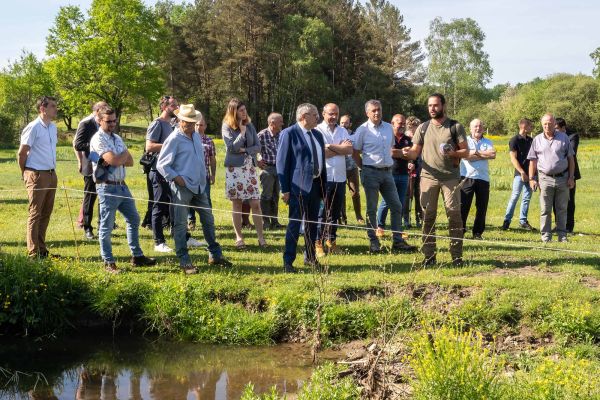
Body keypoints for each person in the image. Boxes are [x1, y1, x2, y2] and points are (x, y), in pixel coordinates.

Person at [157, 104, 232, 274]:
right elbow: (162, 165)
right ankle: (184, 261)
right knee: (181, 224)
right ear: (180, 121)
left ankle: (215, 254)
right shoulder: (174, 139)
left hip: (200, 186)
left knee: (208, 220)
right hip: (182, 187)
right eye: (187, 122)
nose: (191, 125)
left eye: (193, 122)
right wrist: (177, 178)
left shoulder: (196, 136)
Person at [402, 93, 468, 266]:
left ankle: (457, 257)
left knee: (454, 215)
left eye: (436, 105)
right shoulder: (422, 127)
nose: (432, 108)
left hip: (450, 178)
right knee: (428, 217)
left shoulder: (455, 126)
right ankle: (429, 257)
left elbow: (466, 152)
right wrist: (405, 153)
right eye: (430, 106)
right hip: (428, 177)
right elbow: (415, 151)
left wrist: (453, 153)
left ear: (443, 106)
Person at [89, 106, 156, 273]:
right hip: (107, 186)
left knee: (133, 219)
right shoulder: (98, 139)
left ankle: (137, 256)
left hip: (122, 185)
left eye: (114, 120)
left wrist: (120, 157)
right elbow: (113, 160)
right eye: (108, 121)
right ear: (99, 120)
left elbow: (130, 161)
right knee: (106, 226)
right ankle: (108, 262)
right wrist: (121, 156)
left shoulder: (117, 137)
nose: (112, 124)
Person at [353, 100, 417, 254]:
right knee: (371, 209)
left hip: (388, 172)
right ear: (367, 113)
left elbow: (392, 148)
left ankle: (398, 241)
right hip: (370, 172)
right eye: (373, 110)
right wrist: (365, 168)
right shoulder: (362, 130)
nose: (377, 113)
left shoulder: (389, 128)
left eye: (379, 110)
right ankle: (374, 242)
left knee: (397, 206)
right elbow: (355, 153)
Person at [277, 103, 327, 273]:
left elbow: (321, 161)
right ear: (303, 116)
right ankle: (288, 261)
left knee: (313, 225)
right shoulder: (289, 133)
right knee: (294, 224)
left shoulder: (318, 135)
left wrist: (323, 185)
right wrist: (285, 189)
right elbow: (282, 163)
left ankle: (310, 257)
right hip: (297, 187)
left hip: (315, 185)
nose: (317, 118)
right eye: (314, 114)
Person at [221, 98, 267, 249]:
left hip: (250, 167)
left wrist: (245, 150)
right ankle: (239, 238)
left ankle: (261, 238)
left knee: (255, 203)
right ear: (233, 112)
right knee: (237, 203)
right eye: (241, 110)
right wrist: (241, 133)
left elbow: (258, 146)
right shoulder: (226, 127)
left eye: (245, 110)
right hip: (235, 169)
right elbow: (232, 148)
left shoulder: (250, 125)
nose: (244, 113)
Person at [17, 96, 59, 258]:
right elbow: (21, 153)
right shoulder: (33, 127)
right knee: (35, 213)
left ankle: (42, 249)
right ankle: (33, 252)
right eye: (53, 106)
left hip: (50, 173)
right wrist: (26, 173)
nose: (56, 109)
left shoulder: (53, 127)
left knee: (46, 212)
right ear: (43, 108)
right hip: (36, 174)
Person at [528, 113, 575, 243]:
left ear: (554, 124)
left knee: (562, 209)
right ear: (542, 125)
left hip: (563, 178)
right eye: (545, 124)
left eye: (549, 123)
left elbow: (571, 159)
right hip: (544, 179)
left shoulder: (564, 138)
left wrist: (571, 177)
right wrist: (532, 178)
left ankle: (562, 236)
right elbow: (532, 161)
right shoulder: (536, 139)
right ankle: (546, 237)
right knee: (545, 209)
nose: (547, 126)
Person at [314, 103, 353, 257]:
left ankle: (331, 241)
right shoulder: (317, 130)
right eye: (330, 114)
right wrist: (339, 148)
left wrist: (330, 146)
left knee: (335, 212)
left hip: (340, 177)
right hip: (324, 177)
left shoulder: (342, 130)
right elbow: (321, 152)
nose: (333, 117)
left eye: (335, 114)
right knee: (321, 211)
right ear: (323, 114)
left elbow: (349, 150)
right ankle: (318, 243)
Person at [73, 101, 108, 240]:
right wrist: (94, 146)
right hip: (90, 164)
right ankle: (87, 227)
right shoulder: (86, 123)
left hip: (105, 164)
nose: (107, 110)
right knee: (90, 196)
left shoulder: (106, 121)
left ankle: (102, 226)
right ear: (98, 110)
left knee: (104, 196)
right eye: (105, 108)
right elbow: (78, 144)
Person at [376, 114, 412, 238]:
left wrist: (407, 157)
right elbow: (389, 152)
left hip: (403, 175)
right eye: (399, 123)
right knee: (386, 202)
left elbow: (412, 155)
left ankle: (397, 230)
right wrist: (403, 152)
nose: (402, 125)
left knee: (400, 203)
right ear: (392, 123)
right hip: (389, 173)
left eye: (403, 123)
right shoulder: (387, 137)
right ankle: (380, 227)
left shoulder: (408, 139)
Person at [460, 119, 496, 239]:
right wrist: (483, 154)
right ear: (470, 128)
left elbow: (493, 155)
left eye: (480, 126)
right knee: (463, 206)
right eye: (475, 126)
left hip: (483, 178)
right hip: (467, 177)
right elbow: (467, 156)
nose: (478, 128)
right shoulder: (465, 140)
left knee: (482, 207)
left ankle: (477, 233)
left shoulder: (488, 141)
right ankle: (460, 231)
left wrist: (476, 152)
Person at [502, 118, 535, 231]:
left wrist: (532, 175)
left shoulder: (531, 140)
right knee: (515, 196)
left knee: (526, 198)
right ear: (524, 127)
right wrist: (521, 172)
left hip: (531, 175)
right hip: (519, 174)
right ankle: (507, 221)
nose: (532, 128)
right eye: (530, 126)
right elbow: (513, 159)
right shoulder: (514, 140)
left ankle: (523, 221)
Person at [187, 116, 216, 230]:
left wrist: (213, 174)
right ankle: (191, 220)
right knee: (189, 199)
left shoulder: (209, 141)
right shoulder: (190, 139)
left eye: (201, 125)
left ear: (205, 126)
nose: (199, 127)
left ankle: (208, 221)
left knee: (206, 198)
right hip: (190, 175)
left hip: (204, 176)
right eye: (197, 125)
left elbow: (212, 159)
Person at [257, 112, 284, 230]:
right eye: (280, 121)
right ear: (272, 122)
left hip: (279, 169)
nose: (282, 123)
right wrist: (258, 160)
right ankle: (265, 222)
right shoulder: (262, 135)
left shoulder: (282, 134)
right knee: (266, 195)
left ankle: (275, 221)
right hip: (267, 168)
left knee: (275, 195)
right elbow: (255, 150)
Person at [554, 118, 580, 233]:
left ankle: (569, 226)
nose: (553, 131)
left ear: (563, 128)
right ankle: (558, 225)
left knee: (569, 200)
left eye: (556, 128)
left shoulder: (573, 136)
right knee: (555, 200)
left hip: (570, 173)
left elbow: (571, 152)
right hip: (556, 173)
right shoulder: (553, 136)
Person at [340, 114, 364, 225]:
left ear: (350, 124)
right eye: (341, 122)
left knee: (355, 193)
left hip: (352, 168)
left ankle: (359, 217)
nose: (343, 125)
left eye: (346, 122)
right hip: (339, 168)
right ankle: (342, 218)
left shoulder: (355, 136)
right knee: (341, 195)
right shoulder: (337, 134)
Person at [404, 116, 422, 228]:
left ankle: (419, 218)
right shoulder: (404, 138)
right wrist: (408, 163)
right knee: (407, 195)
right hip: (406, 170)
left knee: (419, 194)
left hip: (420, 168)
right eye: (411, 127)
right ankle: (406, 218)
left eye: (415, 126)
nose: (413, 129)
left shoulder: (421, 138)